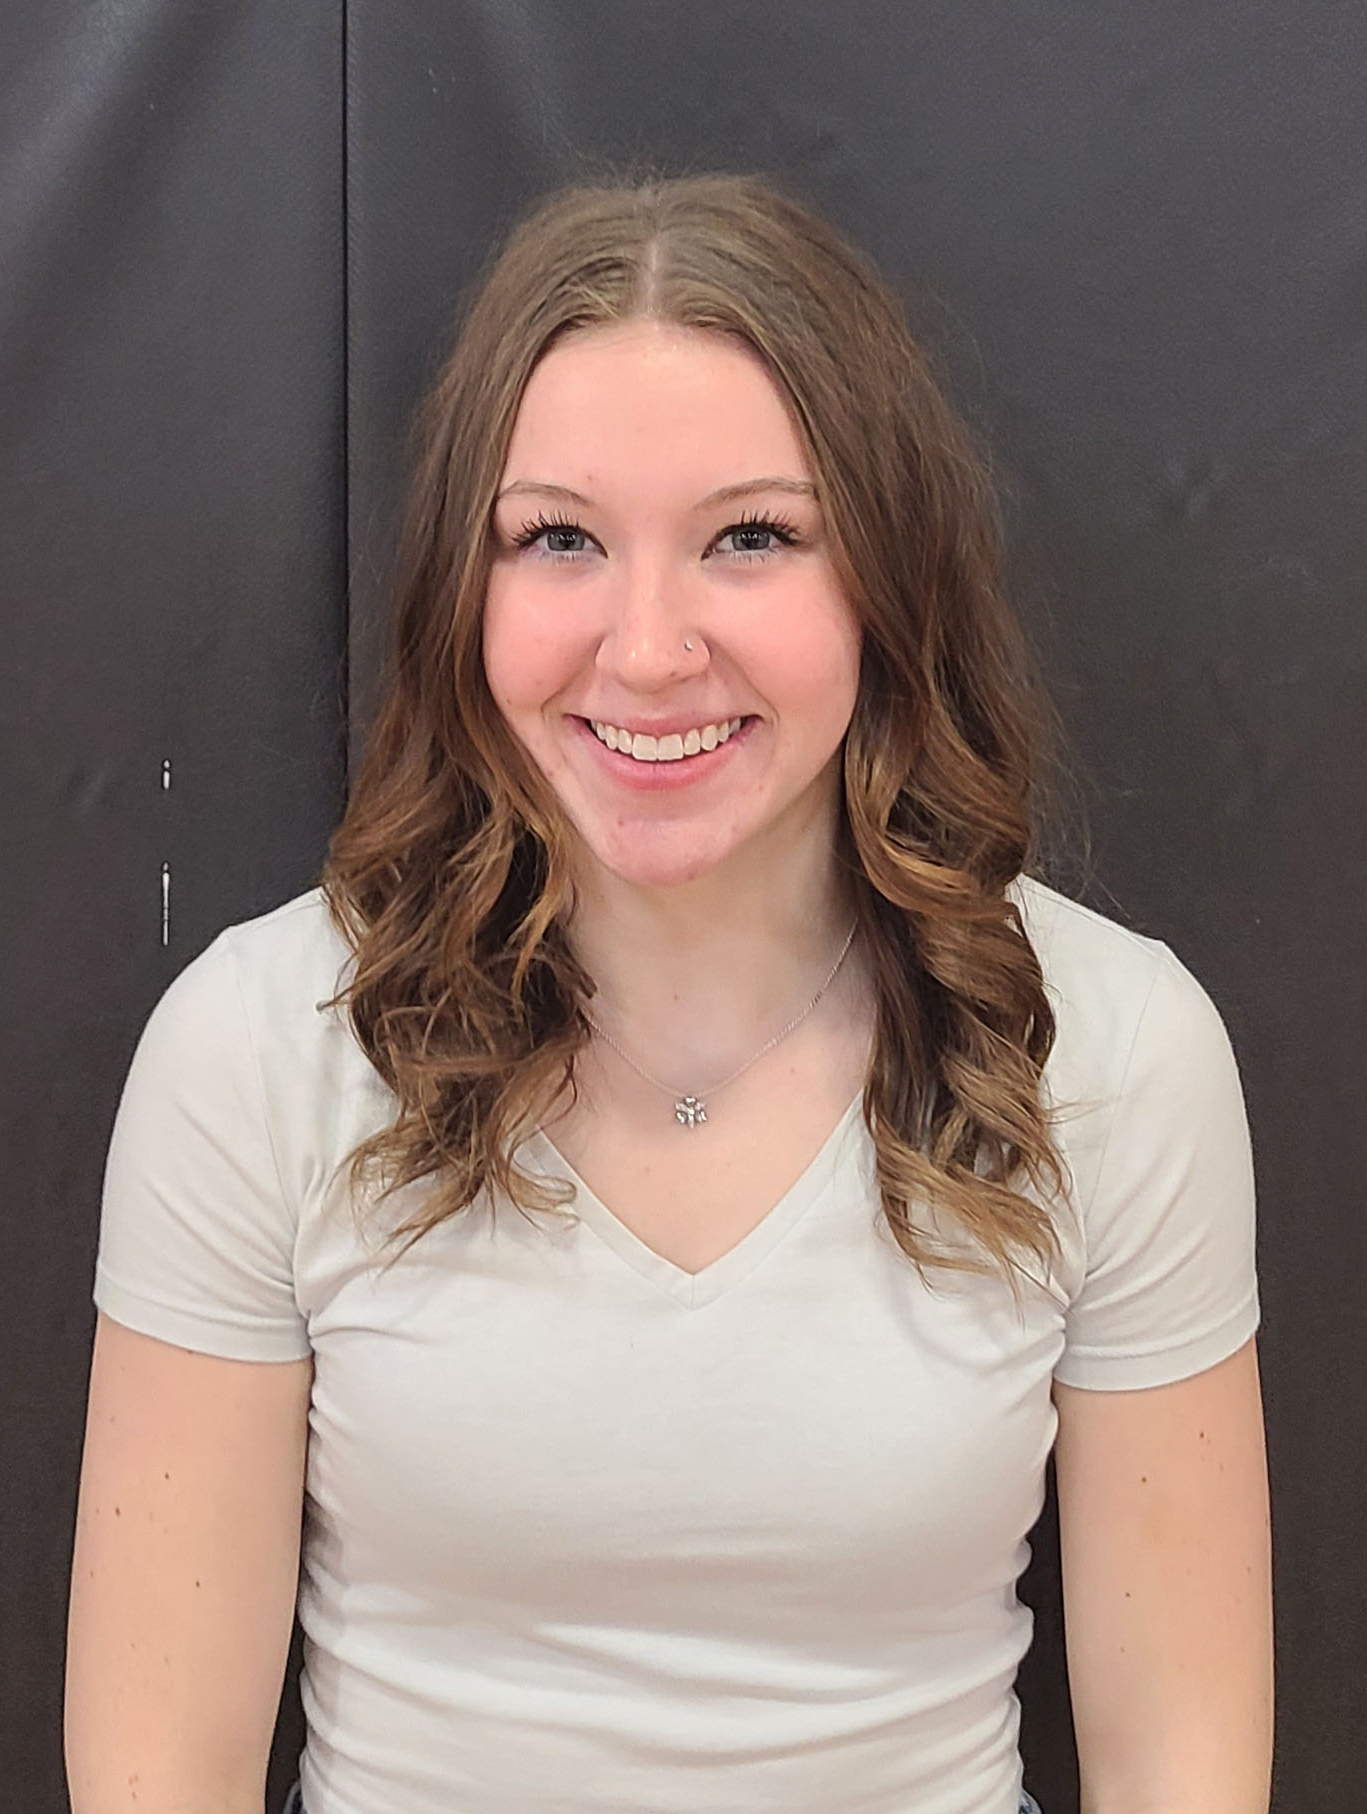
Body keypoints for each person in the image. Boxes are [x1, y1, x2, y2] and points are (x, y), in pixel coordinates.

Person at [64, 171, 1273, 1814]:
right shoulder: (256, 1049)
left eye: (750, 538)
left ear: (883, 581)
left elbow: (1179, 1764)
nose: (644, 650)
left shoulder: (1118, 1053)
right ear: (466, 589)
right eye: (557, 537)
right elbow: (156, 1773)